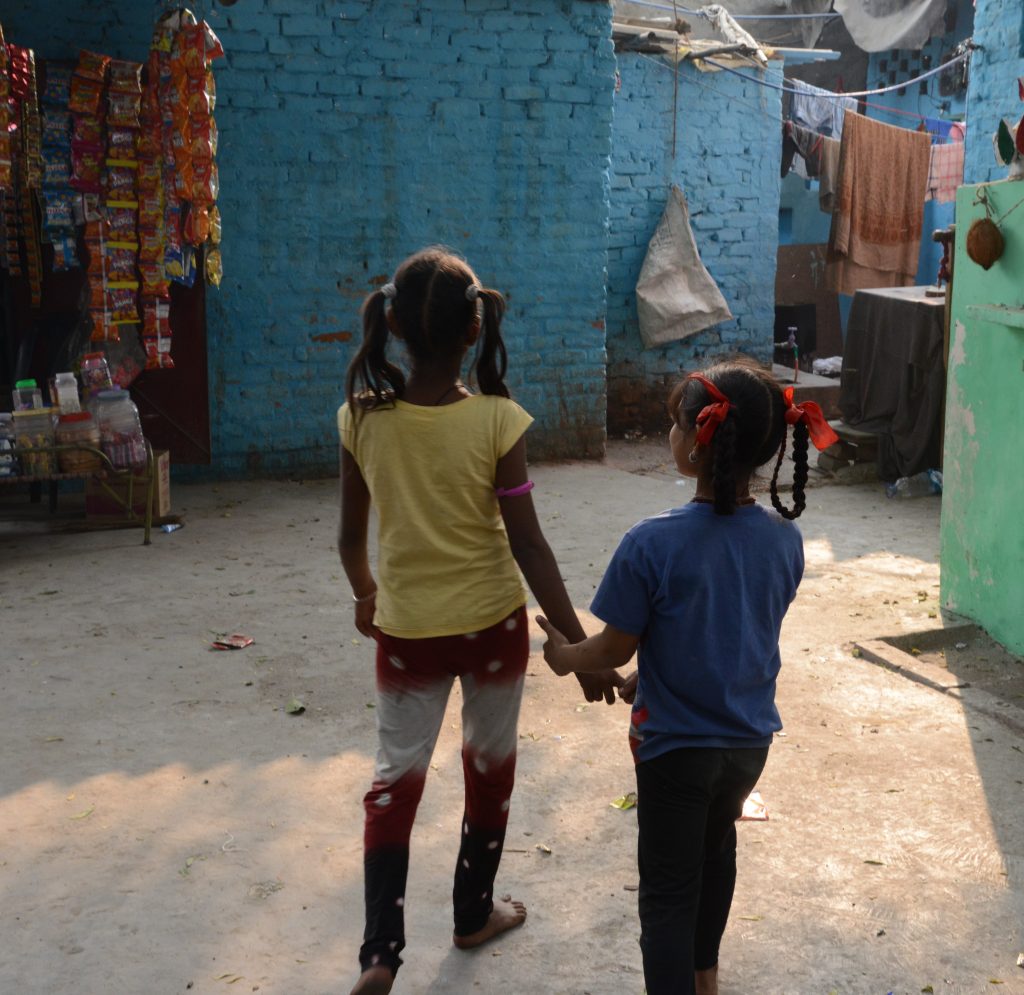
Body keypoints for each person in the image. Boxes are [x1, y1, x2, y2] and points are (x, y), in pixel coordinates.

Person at [337, 246, 623, 995]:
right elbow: (528, 543)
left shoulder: (360, 419)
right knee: (487, 771)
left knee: (393, 783)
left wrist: (367, 591)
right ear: (475, 330)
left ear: (393, 324)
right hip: (493, 628)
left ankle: (379, 951)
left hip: (406, 632)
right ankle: (472, 912)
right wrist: (578, 643)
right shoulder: (500, 420)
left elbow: (348, 538)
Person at [536, 359, 838, 995]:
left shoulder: (651, 543)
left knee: (667, 896)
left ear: (698, 439)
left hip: (675, 753)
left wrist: (564, 657)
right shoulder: (785, 540)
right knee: (715, 854)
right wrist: (652, 673)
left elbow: (611, 647)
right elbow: (728, 633)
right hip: (747, 746)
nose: (668, 435)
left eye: (674, 424)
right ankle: (708, 979)